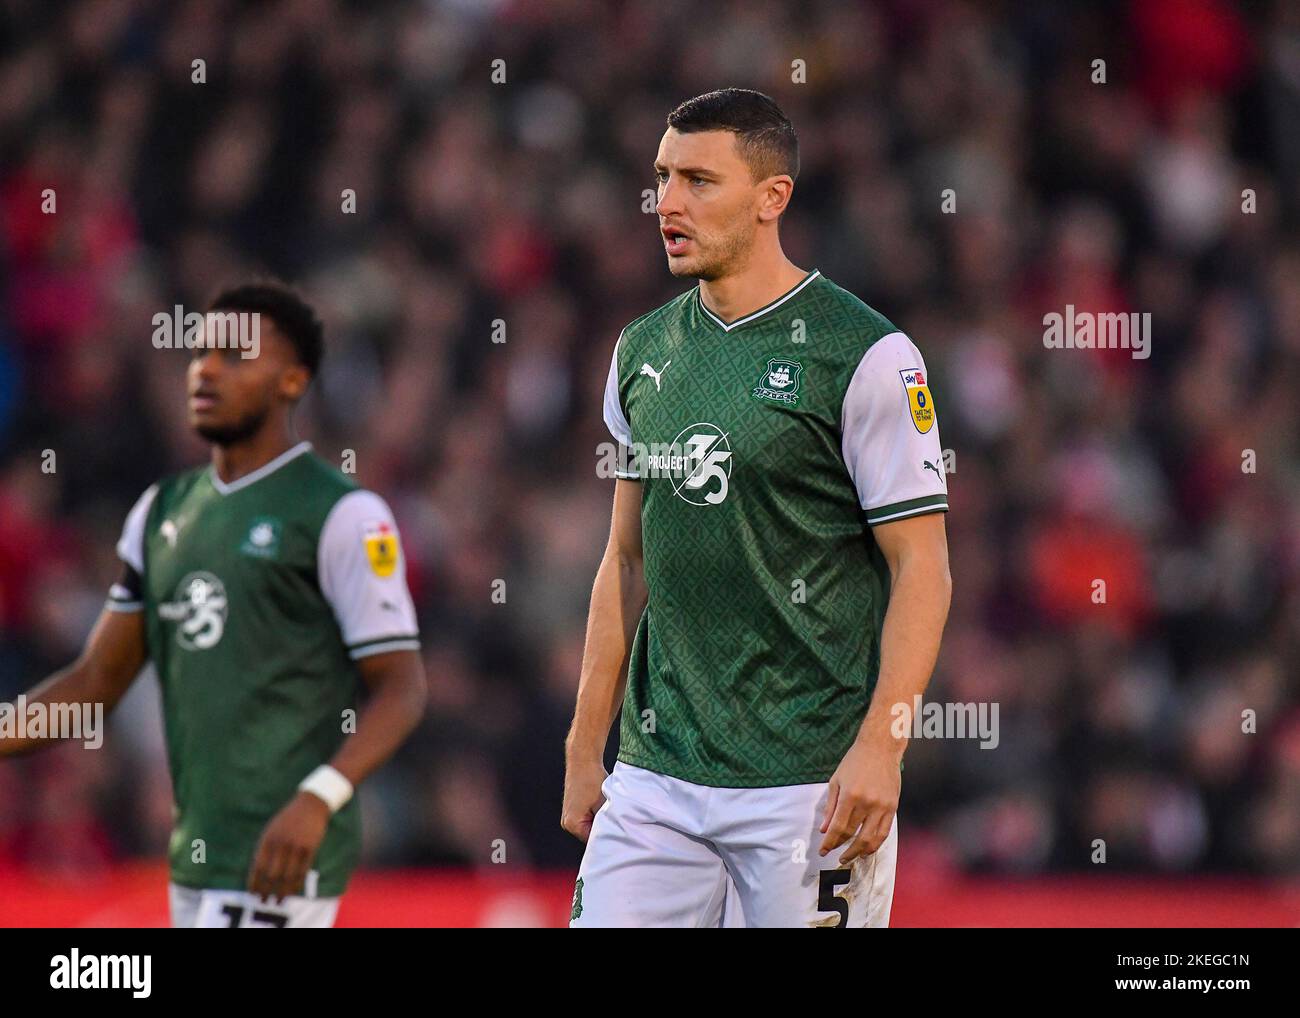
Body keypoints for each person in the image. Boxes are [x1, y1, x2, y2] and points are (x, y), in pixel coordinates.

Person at [562, 89, 951, 927]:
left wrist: (883, 747)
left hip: (807, 784)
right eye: (662, 177)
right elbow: (626, 561)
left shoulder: (868, 356)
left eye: (699, 179)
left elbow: (922, 565)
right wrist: (584, 740)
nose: (666, 201)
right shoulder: (641, 350)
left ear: (772, 198)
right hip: (656, 775)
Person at [0, 281, 427, 928]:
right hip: (197, 858)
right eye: (200, 353)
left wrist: (319, 797)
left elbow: (402, 689)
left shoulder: (342, 514)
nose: (206, 368)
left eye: (235, 355)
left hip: (284, 860)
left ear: (291, 381)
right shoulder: (161, 512)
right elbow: (96, 680)